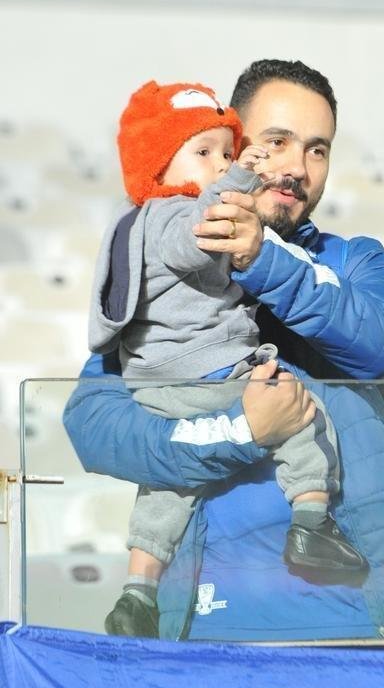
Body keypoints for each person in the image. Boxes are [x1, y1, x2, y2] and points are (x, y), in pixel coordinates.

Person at [64, 59, 384, 642]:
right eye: (275, 142)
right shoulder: (167, 277)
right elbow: (93, 425)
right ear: (233, 146)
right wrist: (242, 430)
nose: (296, 168)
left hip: (356, 619)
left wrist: (260, 259)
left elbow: (381, 344)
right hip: (205, 623)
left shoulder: (353, 260)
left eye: (318, 149)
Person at [89, 80, 367, 637]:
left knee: (166, 489)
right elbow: (196, 235)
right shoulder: (172, 215)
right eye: (205, 154)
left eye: (225, 151)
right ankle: (312, 521)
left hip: (160, 383)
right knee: (300, 412)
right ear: (157, 167)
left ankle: (137, 591)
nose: (221, 165)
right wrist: (241, 178)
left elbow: (379, 339)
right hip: (208, 369)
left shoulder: (130, 224)